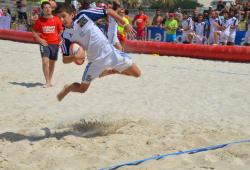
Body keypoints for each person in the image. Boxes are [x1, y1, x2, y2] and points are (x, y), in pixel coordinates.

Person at [56, 4, 141, 101]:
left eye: (63, 16)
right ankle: (69, 88)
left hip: (111, 54)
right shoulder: (65, 35)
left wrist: (124, 24)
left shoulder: (83, 16)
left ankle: (109, 71)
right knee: (82, 89)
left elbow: (108, 11)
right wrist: (74, 57)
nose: (61, 20)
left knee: (137, 74)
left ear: (72, 14)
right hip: (95, 62)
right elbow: (64, 60)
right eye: (59, 18)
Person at [32, 1, 63, 88]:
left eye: (49, 7)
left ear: (52, 9)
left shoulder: (56, 19)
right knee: (45, 62)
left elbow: (61, 30)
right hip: (44, 44)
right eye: (45, 7)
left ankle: (49, 80)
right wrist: (40, 39)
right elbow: (33, 31)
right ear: (43, 9)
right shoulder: (39, 20)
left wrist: (60, 39)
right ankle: (47, 82)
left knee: (52, 63)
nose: (48, 9)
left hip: (55, 44)